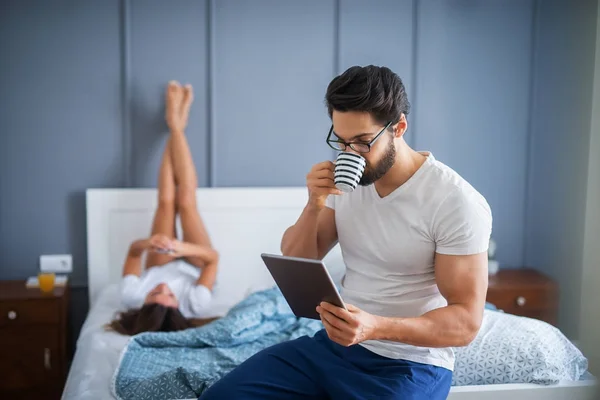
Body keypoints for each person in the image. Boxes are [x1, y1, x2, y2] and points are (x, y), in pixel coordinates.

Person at [200, 66, 492, 399]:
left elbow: (466, 323)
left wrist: (374, 327)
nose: (349, 153)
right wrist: (313, 204)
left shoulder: (455, 202)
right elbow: (299, 259)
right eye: (341, 141)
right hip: (332, 349)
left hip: (409, 363)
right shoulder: (348, 181)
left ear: (398, 127)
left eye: (363, 142)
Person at [109, 81, 219, 336]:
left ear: (143, 304)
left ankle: (176, 123)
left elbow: (134, 253)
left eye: (154, 293)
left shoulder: (131, 297)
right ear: (178, 306)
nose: (162, 287)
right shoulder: (195, 304)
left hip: (159, 260)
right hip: (197, 263)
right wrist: (181, 248)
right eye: (168, 294)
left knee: (166, 201)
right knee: (186, 201)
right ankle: (176, 122)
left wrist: (150, 243)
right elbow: (213, 259)